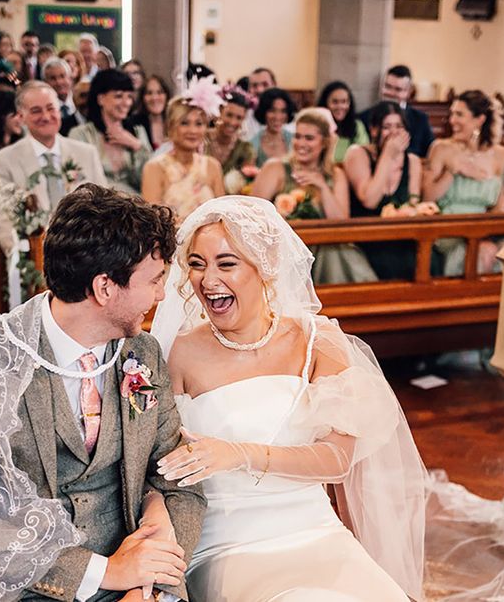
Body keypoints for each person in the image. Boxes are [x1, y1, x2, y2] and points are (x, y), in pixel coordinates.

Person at [0, 183, 207, 601]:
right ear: (105, 288)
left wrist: (149, 586)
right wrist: (105, 572)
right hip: (14, 586)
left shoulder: (141, 354)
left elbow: (180, 484)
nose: (161, 295)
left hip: (133, 581)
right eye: (154, 280)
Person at [150, 195, 426, 601]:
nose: (208, 281)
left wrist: (241, 453)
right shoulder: (175, 352)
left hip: (316, 532)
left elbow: (337, 459)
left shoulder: (318, 341)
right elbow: (153, 464)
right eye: (196, 264)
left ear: (266, 266)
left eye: (226, 264)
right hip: (228, 545)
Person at [252, 108, 377, 284]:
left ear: (324, 142)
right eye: (298, 136)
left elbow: (341, 224)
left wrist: (322, 186)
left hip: (325, 252)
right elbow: (252, 218)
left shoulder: (335, 175)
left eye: (309, 138)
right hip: (283, 251)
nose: (301, 143)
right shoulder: (276, 168)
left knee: (334, 251)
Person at [0, 80, 107, 257]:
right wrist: (24, 259)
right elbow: (3, 221)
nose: (45, 116)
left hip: (86, 255)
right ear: (21, 117)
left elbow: (104, 208)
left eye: (51, 108)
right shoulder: (4, 160)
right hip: (33, 255)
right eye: (36, 111)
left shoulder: (86, 153)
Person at [423, 89, 504, 277]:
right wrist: (453, 171)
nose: (452, 120)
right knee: (483, 252)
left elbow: (499, 209)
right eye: (452, 114)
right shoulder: (441, 148)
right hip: (448, 228)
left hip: (483, 229)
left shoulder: (502, 156)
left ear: (480, 119)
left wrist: (485, 235)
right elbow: (428, 197)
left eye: (459, 115)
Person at [345, 101, 424, 280]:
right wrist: (388, 155)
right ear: (374, 130)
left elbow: (413, 203)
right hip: (369, 237)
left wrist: (409, 211)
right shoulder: (358, 154)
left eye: (399, 126)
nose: (394, 133)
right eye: (387, 126)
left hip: (402, 237)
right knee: (389, 262)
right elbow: (369, 199)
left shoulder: (412, 161)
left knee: (425, 259)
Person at [141, 78, 224, 222]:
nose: (193, 130)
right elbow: (151, 223)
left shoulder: (213, 166)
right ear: (171, 126)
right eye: (184, 123)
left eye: (199, 124)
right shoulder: (154, 168)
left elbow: (223, 216)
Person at [69, 69, 153, 194]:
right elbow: (77, 180)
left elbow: (151, 179)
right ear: (101, 99)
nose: (126, 103)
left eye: (129, 96)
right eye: (118, 96)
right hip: (95, 206)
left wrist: (136, 145)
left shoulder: (137, 132)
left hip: (136, 206)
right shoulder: (80, 134)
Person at [359, 65, 435, 158]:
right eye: (387, 87)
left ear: (409, 92)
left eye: (398, 89)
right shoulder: (364, 117)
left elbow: (430, 154)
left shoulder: (420, 119)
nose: (391, 93)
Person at [204, 85, 254, 178]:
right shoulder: (201, 139)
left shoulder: (246, 149)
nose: (233, 122)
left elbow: (247, 184)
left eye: (239, 118)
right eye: (229, 115)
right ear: (219, 112)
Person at [317, 80, 370, 163]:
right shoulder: (316, 125)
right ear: (325, 103)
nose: (340, 106)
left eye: (344, 102)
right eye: (335, 102)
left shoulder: (357, 125)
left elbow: (364, 152)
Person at [249, 87, 296, 167]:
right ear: (263, 112)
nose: (277, 117)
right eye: (272, 110)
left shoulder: (295, 140)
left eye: (283, 111)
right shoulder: (253, 144)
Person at [129, 75, 171, 151]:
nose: (155, 97)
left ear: (166, 96)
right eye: (149, 93)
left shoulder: (175, 123)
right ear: (143, 98)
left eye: (159, 92)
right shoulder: (133, 124)